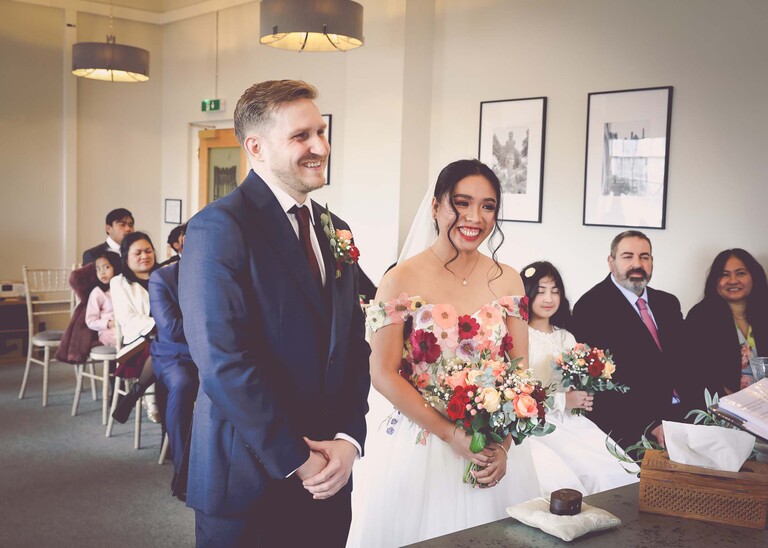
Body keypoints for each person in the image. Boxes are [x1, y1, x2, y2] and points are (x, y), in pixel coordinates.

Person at [178, 80, 370, 547]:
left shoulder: (333, 228)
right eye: (301, 136)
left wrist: (348, 438)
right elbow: (223, 363)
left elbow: (352, 344)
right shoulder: (220, 226)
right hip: (248, 475)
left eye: (321, 133)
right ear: (256, 147)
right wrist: (296, 459)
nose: (320, 147)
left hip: (329, 473)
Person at [347, 159, 540, 547]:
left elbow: (520, 372)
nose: (474, 217)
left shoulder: (509, 279)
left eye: (487, 206)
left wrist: (502, 447)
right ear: (436, 207)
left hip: (493, 444)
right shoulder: (400, 278)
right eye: (462, 203)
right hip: (424, 442)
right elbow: (383, 373)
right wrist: (451, 434)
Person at [521, 261, 638, 497]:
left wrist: (584, 394)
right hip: (537, 426)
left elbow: (575, 381)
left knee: (619, 470)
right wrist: (565, 401)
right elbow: (519, 397)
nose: (548, 298)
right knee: (581, 478)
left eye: (555, 291)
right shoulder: (519, 335)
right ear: (528, 294)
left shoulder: (567, 336)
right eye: (541, 291)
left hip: (572, 422)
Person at [571, 230, 684, 449]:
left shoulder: (668, 303)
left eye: (644, 257)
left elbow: (685, 362)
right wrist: (650, 424)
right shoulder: (591, 307)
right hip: (636, 427)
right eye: (627, 256)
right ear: (611, 262)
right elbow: (599, 386)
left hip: (685, 415)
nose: (637, 264)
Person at [681, 249, 768, 412]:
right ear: (715, 280)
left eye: (740, 273)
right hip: (721, 411)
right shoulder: (700, 317)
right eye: (724, 274)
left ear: (753, 277)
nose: (733, 280)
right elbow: (694, 376)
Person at [148, 259, 198, 496]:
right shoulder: (162, 278)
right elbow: (172, 328)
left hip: (218, 351)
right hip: (175, 355)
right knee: (182, 384)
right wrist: (218, 323)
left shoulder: (225, 269)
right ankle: (183, 473)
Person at [110, 231, 160, 424]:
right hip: (139, 345)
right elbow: (128, 319)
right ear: (126, 257)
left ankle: (135, 393)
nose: (144, 256)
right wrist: (161, 325)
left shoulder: (165, 276)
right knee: (162, 346)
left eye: (148, 251)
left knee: (166, 346)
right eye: (137, 253)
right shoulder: (119, 282)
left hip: (171, 338)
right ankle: (150, 401)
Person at [85, 251, 122, 347]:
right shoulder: (98, 292)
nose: (102, 272)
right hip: (108, 332)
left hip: (125, 326)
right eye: (98, 269)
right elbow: (90, 321)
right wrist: (110, 323)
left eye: (106, 267)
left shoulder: (123, 287)